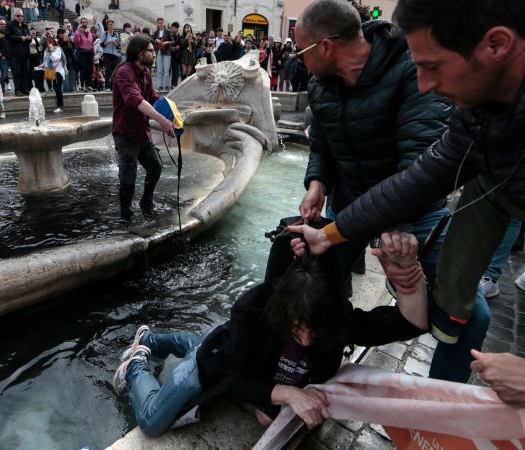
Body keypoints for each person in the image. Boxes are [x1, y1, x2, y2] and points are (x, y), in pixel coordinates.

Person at [288, 0, 525, 382]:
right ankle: (302, 373)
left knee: (471, 314)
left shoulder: (411, 74)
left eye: (431, 67)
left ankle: (437, 409)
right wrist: (320, 194)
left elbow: (417, 167)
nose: (424, 83)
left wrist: (396, 228)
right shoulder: (321, 88)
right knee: (308, 291)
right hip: (354, 208)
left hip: (410, 215)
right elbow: (329, 148)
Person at [114, 230, 429, 436]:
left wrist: (405, 275)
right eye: (298, 331)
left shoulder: (335, 321)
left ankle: (154, 338)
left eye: (314, 335)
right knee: (152, 422)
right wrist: (286, 394)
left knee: (211, 341)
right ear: (283, 313)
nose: (306, 341)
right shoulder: (253, 313)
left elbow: (410, 323)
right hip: (214, 364)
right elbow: (231, 379)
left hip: (224, 342)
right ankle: (138, 361)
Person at [111, 34, 174, 221]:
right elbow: (136, 100)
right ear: (140, 53)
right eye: (151, 51)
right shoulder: (124, 72)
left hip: (141, 132)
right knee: (128, 180)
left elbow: (152, 97)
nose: (155, 54)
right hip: (126, 134)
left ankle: (146, 203)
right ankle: (126, 216)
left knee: (155, 167)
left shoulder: (145, 72)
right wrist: (162, 120)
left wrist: (173, 113)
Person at [4, 8, 29, 96]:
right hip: (15, 53)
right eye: (18, 16)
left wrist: (29, 38)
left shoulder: (24, 26)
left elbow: (27, 36)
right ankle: (17, 90)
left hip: (25, 53)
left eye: (22, 16)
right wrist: (20, 38)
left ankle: (24, 89)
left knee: (25, 71)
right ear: (14, 16)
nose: (20, 17)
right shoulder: (10, 25)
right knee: (17, 72)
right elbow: (8, 37)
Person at [42, 37, 65, 113]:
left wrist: (51, 50)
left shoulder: (57, 49)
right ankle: (41, 90)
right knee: (35, 73)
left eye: (49, 42)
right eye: (47, 43)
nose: (48, 44)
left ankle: (60, 106)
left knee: (58, 89)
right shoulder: (46, 50)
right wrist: (40, 66)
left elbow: (56, 59)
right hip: (50, 71)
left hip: (58, 71)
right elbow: (45, 62)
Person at [72, 16, 93, 91]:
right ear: (81, 23)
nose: (84, 23)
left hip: (89, 52)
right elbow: (76, 42)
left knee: (89, 69)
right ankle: (82, 85)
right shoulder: (78, 32)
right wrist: (77, 31)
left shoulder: (89, 32)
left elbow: (91, 42)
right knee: (83, 69)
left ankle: (88, 85)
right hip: (82, 52)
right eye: (83, 22)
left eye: (85, 22)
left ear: (87, 23)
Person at [151, 18, 171, 91]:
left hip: (167, 52)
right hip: (159, 51)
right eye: (159, 23)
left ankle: (166, 85)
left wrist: (167, 42)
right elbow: (153, 42)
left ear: (164, 23)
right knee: (159, 70)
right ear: (157, 24)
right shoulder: (156, 32)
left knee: (166, 70)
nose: (160, 24)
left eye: (162, 23)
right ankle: (159, 85)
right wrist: (156, 40)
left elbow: (173, 41)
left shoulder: (167, 31)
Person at [100, 19, 119, 90]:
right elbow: (101, 44)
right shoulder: (105, 34)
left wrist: (115, 43)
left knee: (114, 70)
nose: (111, 26)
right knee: (108, 70)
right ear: (107, 26)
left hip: (115, 54)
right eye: (109, 25)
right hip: (107, 54)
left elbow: (118, 46)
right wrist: (107, 42)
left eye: (112, 25)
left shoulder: (116, 34)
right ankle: (107, 86)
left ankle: (112, 86)